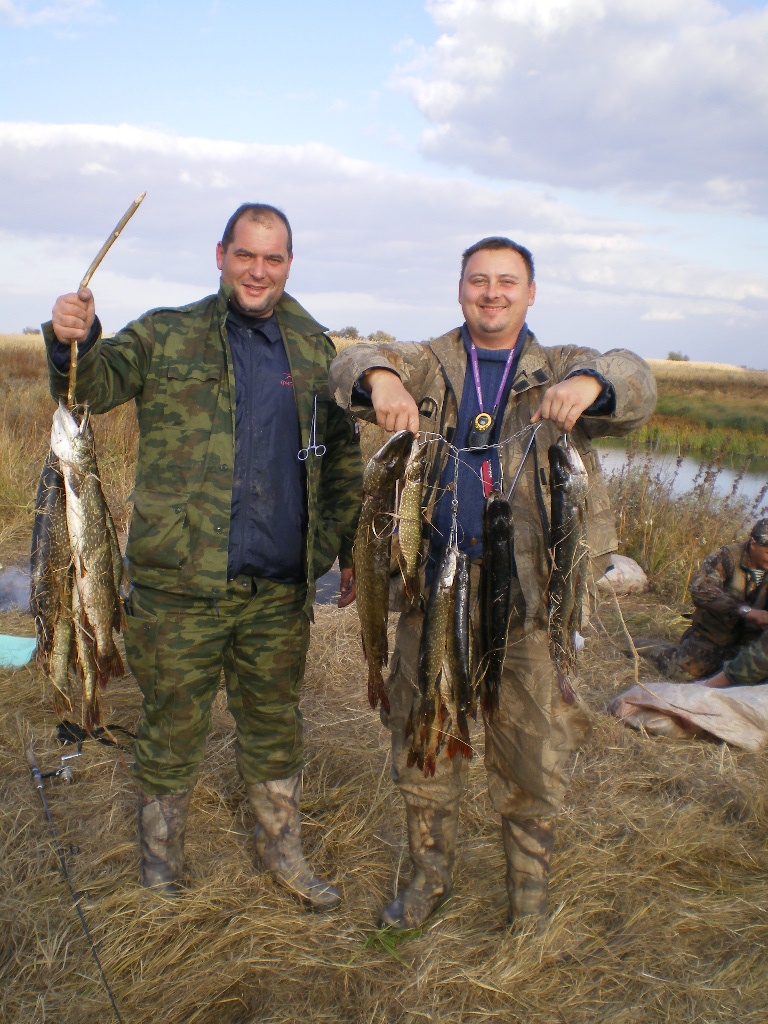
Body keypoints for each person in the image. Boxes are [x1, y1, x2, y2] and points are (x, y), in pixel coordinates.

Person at [329, 236, 656, 930]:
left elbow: (635, 379)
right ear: (460, 290)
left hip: (532, 601)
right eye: (479, 280)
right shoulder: (425, 361)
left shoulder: (561, 365)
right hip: (431, 592)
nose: (492, 293)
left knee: (533, 755)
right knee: (424, 744)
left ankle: (528, 902)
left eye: (508, 281)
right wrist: (380, 380)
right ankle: (427, 881)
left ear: (531, 293)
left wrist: (591, 387)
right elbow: (350, 360)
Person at [44, 203, 362, 908]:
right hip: (179, 592)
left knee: (275, 727)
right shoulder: (167, 333)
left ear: (289, 264)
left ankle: (283, 856)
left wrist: (336, 547)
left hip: (278, 594)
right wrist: (75, 339)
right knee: (170, 730)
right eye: (245, 255)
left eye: (273, 258)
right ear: (221, 255)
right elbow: (89, 386)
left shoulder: (318, 352)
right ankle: (160, 870)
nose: (258, 271)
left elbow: (342, 459)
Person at [645, 519, 768, 680]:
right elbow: (700, 589)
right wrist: (745, 611)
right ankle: (652, 648)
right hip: (713, 639)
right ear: (753, 545)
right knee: (683, 673)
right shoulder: (727, 556)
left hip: (749, 643)